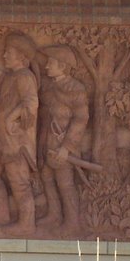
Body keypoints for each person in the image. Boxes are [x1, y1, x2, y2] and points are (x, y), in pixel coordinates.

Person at [0, 32, 39, 230]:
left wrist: (12, 118)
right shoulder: (11, 77)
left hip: (17, 141)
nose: (4, 56)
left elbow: (31, 104)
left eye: (8, 53)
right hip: (2, 139)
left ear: (21, 56)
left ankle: (26, 224)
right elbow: (7, 104)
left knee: (18, 181)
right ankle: (2, 214)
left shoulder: (26, 77)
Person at [37, 45, 89, 232]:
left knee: (65, 183)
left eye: (51, 63)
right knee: (47, 178)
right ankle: (54, 215)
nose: (47, 66)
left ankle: (72, 222)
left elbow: (81, 119)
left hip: (63, 145)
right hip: (47, 142)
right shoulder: (48, 87)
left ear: (63, 66)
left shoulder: (76, 88)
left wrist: (67, 147)